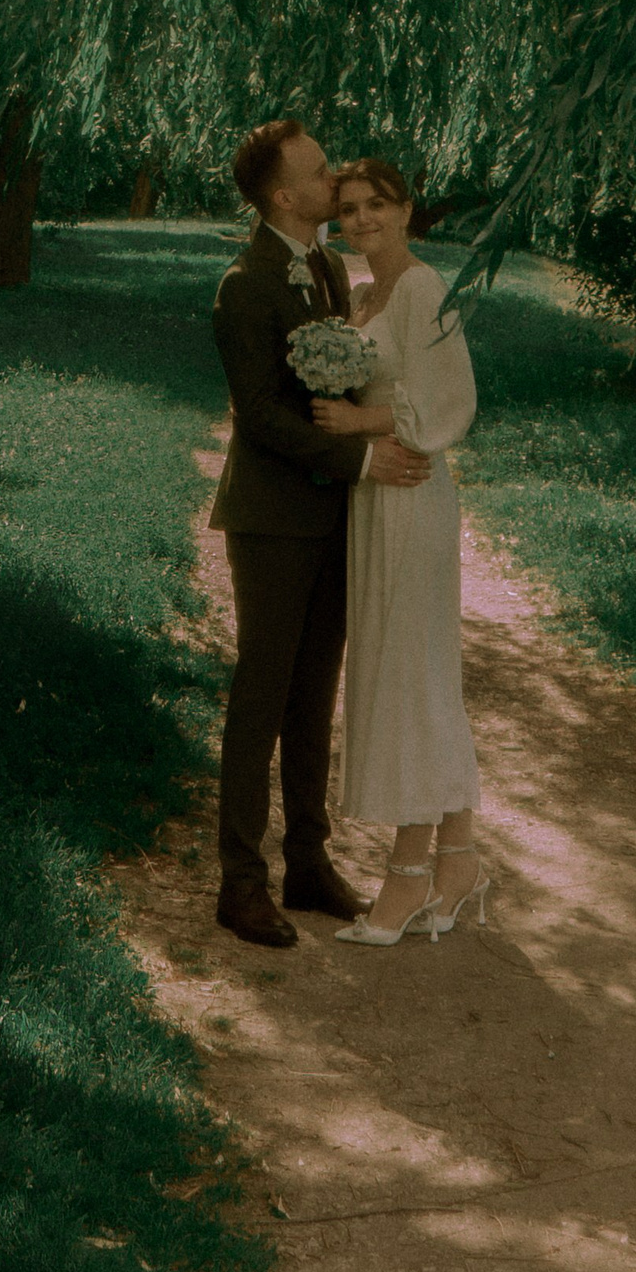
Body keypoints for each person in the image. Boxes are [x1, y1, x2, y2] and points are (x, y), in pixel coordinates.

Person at [207, 117, 431, 949]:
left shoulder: (332, 267)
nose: (333, 179)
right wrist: (365, 462)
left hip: (332, 520)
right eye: (318, 170)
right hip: (271, 520)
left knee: (313, 696)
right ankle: (239, 881)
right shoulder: (244, 283)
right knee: (262, 694)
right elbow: (261, 417)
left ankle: (307, 861)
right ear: (282, 195)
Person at [312, 156, 487, 944]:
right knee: (412, 670)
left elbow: (446, 402)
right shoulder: (360, 296)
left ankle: (408, 877)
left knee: (411, 674)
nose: (361, 220)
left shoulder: (421, 289)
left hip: (411, 493)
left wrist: (360, 424)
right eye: (347, 209)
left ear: (408, 209)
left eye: (376, 205)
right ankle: (459, 863)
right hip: (373, 499)